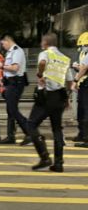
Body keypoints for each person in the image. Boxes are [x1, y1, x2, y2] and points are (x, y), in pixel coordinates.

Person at [28, 33, 74, 172]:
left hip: (46, 96)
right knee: (57, 129)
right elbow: (69, 81)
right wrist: (67, 98)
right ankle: (59, 163)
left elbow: (42, 63)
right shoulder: (65, 58)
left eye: (42, 41)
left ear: (46, 43)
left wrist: (40, 75)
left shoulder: (45, 54)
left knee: (31, 124)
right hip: (59, 97)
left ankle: (44, 157)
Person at [0, 34, 32, 146]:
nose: (2, 46)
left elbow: (15, 68)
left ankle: (30, 131)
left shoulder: (17, 51)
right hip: (10, 83)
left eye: (2, 43)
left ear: (7, 40)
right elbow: (8, 71)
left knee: (13, 110)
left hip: (16, 83)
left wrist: (1, 66)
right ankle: (11, 136)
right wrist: (3, 79)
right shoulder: (10, 52)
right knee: (10, 110)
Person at [72, 32, 88, 148]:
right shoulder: (84, 53)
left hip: (86, 84)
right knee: (81, 111)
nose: (82, 47)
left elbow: (85, 68)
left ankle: (86, 138)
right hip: (84, 85)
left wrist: (75, 80)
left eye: (83, 45)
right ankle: (82, 134)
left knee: (85, 111)